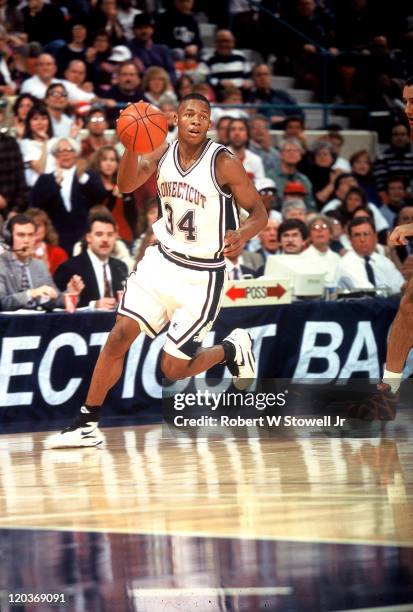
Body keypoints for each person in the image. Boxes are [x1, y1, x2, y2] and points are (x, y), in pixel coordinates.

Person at [44, 92, 267, 449]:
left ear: (209, 124)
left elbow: (259, 213)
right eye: (189, 114)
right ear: (175, 120)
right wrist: (132, 144)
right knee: (119, 335)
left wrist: (242, 233)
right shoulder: (161, 151)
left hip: (202, 275)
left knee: (172, 369)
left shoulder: (222, 162)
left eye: (203, 116)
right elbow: (125, 185)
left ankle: (232, 348)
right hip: (161, 261)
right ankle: (86, 422)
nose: (195, 120)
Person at [0, 213, 83, 311]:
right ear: (10, 239)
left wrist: (70, 293)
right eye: (21, 235)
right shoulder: (1, 264)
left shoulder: (39, 265)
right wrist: (31, 293)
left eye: (30, 235)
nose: (26, 240)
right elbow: (2, 302)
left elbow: (53, 301)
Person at [54, 212, 128, 310]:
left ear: (115, 238)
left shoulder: (120, 267)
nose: (105, 239)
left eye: (110, 235)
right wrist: (93, 305)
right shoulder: (69, 268)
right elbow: (57, 305)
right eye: (99, 234)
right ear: (88, 238)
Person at [336, 217, 404, 294]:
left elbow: (401, 287)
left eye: (366, 234)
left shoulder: (384, 261)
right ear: (350, 240)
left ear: (376, 237)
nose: (362, 239)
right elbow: (369, 293)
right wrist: (392, 292)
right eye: (357, 235)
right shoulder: (346, 263)